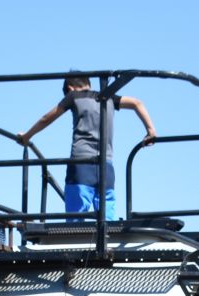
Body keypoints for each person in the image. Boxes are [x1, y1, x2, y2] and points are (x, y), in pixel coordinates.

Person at [17, 76, 156, 222]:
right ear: (88, 83)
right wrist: (151, 130)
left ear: (70, 88)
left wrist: (27, 136)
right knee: (107, 221)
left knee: (75, 221)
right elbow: (137, 103)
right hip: (106, 167)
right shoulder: (108, 98)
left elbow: (47, 118)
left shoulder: (73, 96)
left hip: (81, 164)